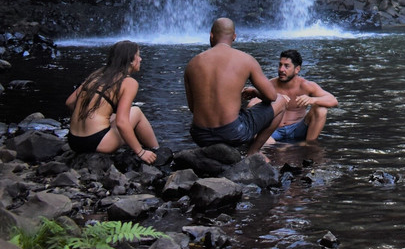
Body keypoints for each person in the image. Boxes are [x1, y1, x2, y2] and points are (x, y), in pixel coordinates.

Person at [184, 17, 287, 155]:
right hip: (232, 133)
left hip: (200, 135)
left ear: (211, 35)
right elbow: (272, 96)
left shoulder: (192, 64)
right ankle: (253, 153)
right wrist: (255, 93)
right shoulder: (246, 60)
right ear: (234, 37)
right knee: (281, 101)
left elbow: (193, 108)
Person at [65, 41, 159, 163]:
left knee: (114, 116)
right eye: (138, 55)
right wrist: (140, 152)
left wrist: (89, 119)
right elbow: (121, 122)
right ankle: (157, 151)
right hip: (97, 142)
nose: (140, 59)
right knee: (136, 111)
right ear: (130, 60)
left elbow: (70, 102)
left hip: (74, 141)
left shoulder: (96, 74)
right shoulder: (128, 82)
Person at [265, 49, 339, 144]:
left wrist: (312, 99)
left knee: (321, 109)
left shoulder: (306, 85)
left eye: (286, 66)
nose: (281, 69)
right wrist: (275, 97)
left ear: (297, 69)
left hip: (298, 129)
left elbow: (333, 100)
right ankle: (279, 147)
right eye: (280, 65)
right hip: (274, 131)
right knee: (257, 134)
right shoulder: (270, 84)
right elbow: (251, 105)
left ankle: (309, 145)